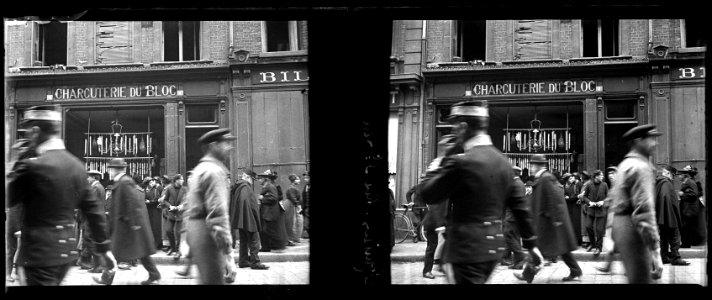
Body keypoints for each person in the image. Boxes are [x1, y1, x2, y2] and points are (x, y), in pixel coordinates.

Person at [418, 100, 543, 284]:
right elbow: (521, 209)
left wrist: (439, 162)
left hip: (465, 250)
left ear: (463, 127)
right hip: (493, 249)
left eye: (454, 127)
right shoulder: (503, 163)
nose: (454, 132)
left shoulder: (461, 162)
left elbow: (427, 193)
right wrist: (532, 246)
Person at [7, 105, 117, 286]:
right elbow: (94, 212)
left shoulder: (31, 166)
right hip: (65, 253)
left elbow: (9, 196)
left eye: (28, 131)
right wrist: (105, 249)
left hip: (37, 255)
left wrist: (16, 160)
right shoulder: (77, 166)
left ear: (35, 131)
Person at [609, 124, 664, 283]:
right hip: (634, 230)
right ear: (639, 140)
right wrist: (656, 251)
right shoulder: (640, 167)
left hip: (622, 227)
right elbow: (644, 212)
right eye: (652, 139)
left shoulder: (624, 165)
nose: (656, 143)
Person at [92, 158, 160, 285]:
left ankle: (106, 278)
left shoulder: (125, 181)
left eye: (111, 168)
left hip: (127, 226)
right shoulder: (121, 181)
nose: (110, 171)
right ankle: (154, 275)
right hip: (124, 225)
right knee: (140, 251)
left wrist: (133, 223)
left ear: (117, 169)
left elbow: (132, 203)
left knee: (119, 251)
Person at [515, 154, 582, 282]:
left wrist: (556, 219)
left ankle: (527, 274)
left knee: (539, 247)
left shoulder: (546, 178)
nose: (532, 167)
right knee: (563, 247)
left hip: (548, 221)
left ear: (539, 165)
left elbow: (554, 198)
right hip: (547, 220)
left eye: (533, 164)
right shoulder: (543, 177)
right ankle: (575, 270)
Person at [184, 128, 235, 284]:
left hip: (197, 232)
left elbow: (188, 207)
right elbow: (218, 216)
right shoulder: (214, 171)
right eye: (226, 143)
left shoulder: (199, 169)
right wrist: (229, 255)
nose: (230, 147)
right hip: (208, 235)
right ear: (214, 145)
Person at [229, 169, 269, 270]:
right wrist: (252, 217)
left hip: (242, 218)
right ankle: (255, 261)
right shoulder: (245, 187)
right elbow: (247, 204)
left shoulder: (238, 186)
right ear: (246, 176)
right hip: (248, 218)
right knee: (255, 239)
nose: (252, 181)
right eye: (252, 179)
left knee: (244, 240)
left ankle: (243, 261)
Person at [654, 166, 690, 266]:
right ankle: (675, 258)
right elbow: (667, 198)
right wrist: (671, 213)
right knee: (675, 236)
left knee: (664, 237)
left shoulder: (659, 182)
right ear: (669, 173)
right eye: (673, 176)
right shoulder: (666, 183)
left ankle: (664, 257)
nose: (673, 178)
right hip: (669, 215)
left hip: (662, 215)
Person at [79, 170, 107, 273]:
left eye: (89, 177)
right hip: (97, 217)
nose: (87, 179)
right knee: (93, 241)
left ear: (95, 177)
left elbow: (90, 204)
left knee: (89, 240)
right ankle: (97, 266)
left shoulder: (95, 188)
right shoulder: (100, 187)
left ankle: (100, 265)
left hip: (92, 218)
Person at [500, 166, 527, 270]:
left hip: (511, 216)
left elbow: (515, 202)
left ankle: (520, 258)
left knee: (509, 236)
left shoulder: (516, 184)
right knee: (514, 238)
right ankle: (517, 262)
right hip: (513, 216)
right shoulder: (518, 183)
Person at [258, 169, 289, 253]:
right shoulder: (267, 186)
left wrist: (262, 199)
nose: (258, 180)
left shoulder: (270, 186)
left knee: (269, 230)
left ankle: (279, 246)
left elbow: (274, 198)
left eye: (260, 178)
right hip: (267, 212)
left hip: (270, 212)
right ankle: (266, 247)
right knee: (265, 231)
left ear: (265, 179)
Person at [580, 170, 609, 256]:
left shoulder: (605, 185)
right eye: (601, 175)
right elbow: (584, 196)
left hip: (601, 210)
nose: (602, 177)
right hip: (591, 210)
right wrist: (589, 203)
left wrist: (603, 202)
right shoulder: (589, 184)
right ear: (596, 177)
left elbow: (608, 197)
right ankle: (593, 244)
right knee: (588, 226)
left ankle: (598, 248)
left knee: (599, 230)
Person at [160, 174, 187, 259]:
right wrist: (169, 206)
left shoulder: (185, 189)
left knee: (178, 233)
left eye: (182, 179)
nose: (182, 181)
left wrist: (182, 206)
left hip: (180, 213)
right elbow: (165, 200)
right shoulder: (169, 188)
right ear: (176, 181)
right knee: (168, 230)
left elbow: (187, 200)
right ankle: (173, 248)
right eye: (181, 179)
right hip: (171, 213)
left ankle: (178, 251)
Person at [678, 165, 705, 247]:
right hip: (687, 208)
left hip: (690, 209)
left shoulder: (691, 182)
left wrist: (683, 195)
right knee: (687, 227)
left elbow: (695, 194)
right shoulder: (688, 182)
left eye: (680, 175)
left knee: (688, 227)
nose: (679, 176)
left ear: (685, 175)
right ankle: (687, 242)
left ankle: (688, 243)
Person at [563, 173, 582, 245]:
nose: (572, 180)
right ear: (566, 180)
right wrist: (565, 197)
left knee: (575, 223)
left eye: (572, 178)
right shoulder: (563, 186)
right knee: (568, 223)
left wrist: (569, 198)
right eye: (570, 178)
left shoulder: (575, 186)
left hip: (574, 207)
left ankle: (577, 240)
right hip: (567, 207)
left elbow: (576, 195)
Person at [284, 174, 303, 245]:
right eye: (297, 179)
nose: (299, 180)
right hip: (292, 206)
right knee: (292, 222)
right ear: (293, 180)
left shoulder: (293, 187)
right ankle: (291, 239)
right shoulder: (291, 188)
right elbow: (293, 198)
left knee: (296, 222)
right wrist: (297, 204)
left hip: (294, 205)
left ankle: (295, 238)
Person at [144, 177, 163, 250]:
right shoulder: (144, 191)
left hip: (155, 211)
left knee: (155, 227)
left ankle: (156, 245)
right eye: (151, 182)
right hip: (147, 211)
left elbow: (157, 200)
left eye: (153, 182)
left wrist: (150, 202)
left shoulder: (155, 190)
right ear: (147, 184)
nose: (153, 183)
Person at [301, 171, 310, 239]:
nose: (305, 179)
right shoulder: (306, 186)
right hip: (306, 207)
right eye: (304, 178)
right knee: (306, 223)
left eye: (307, 178)